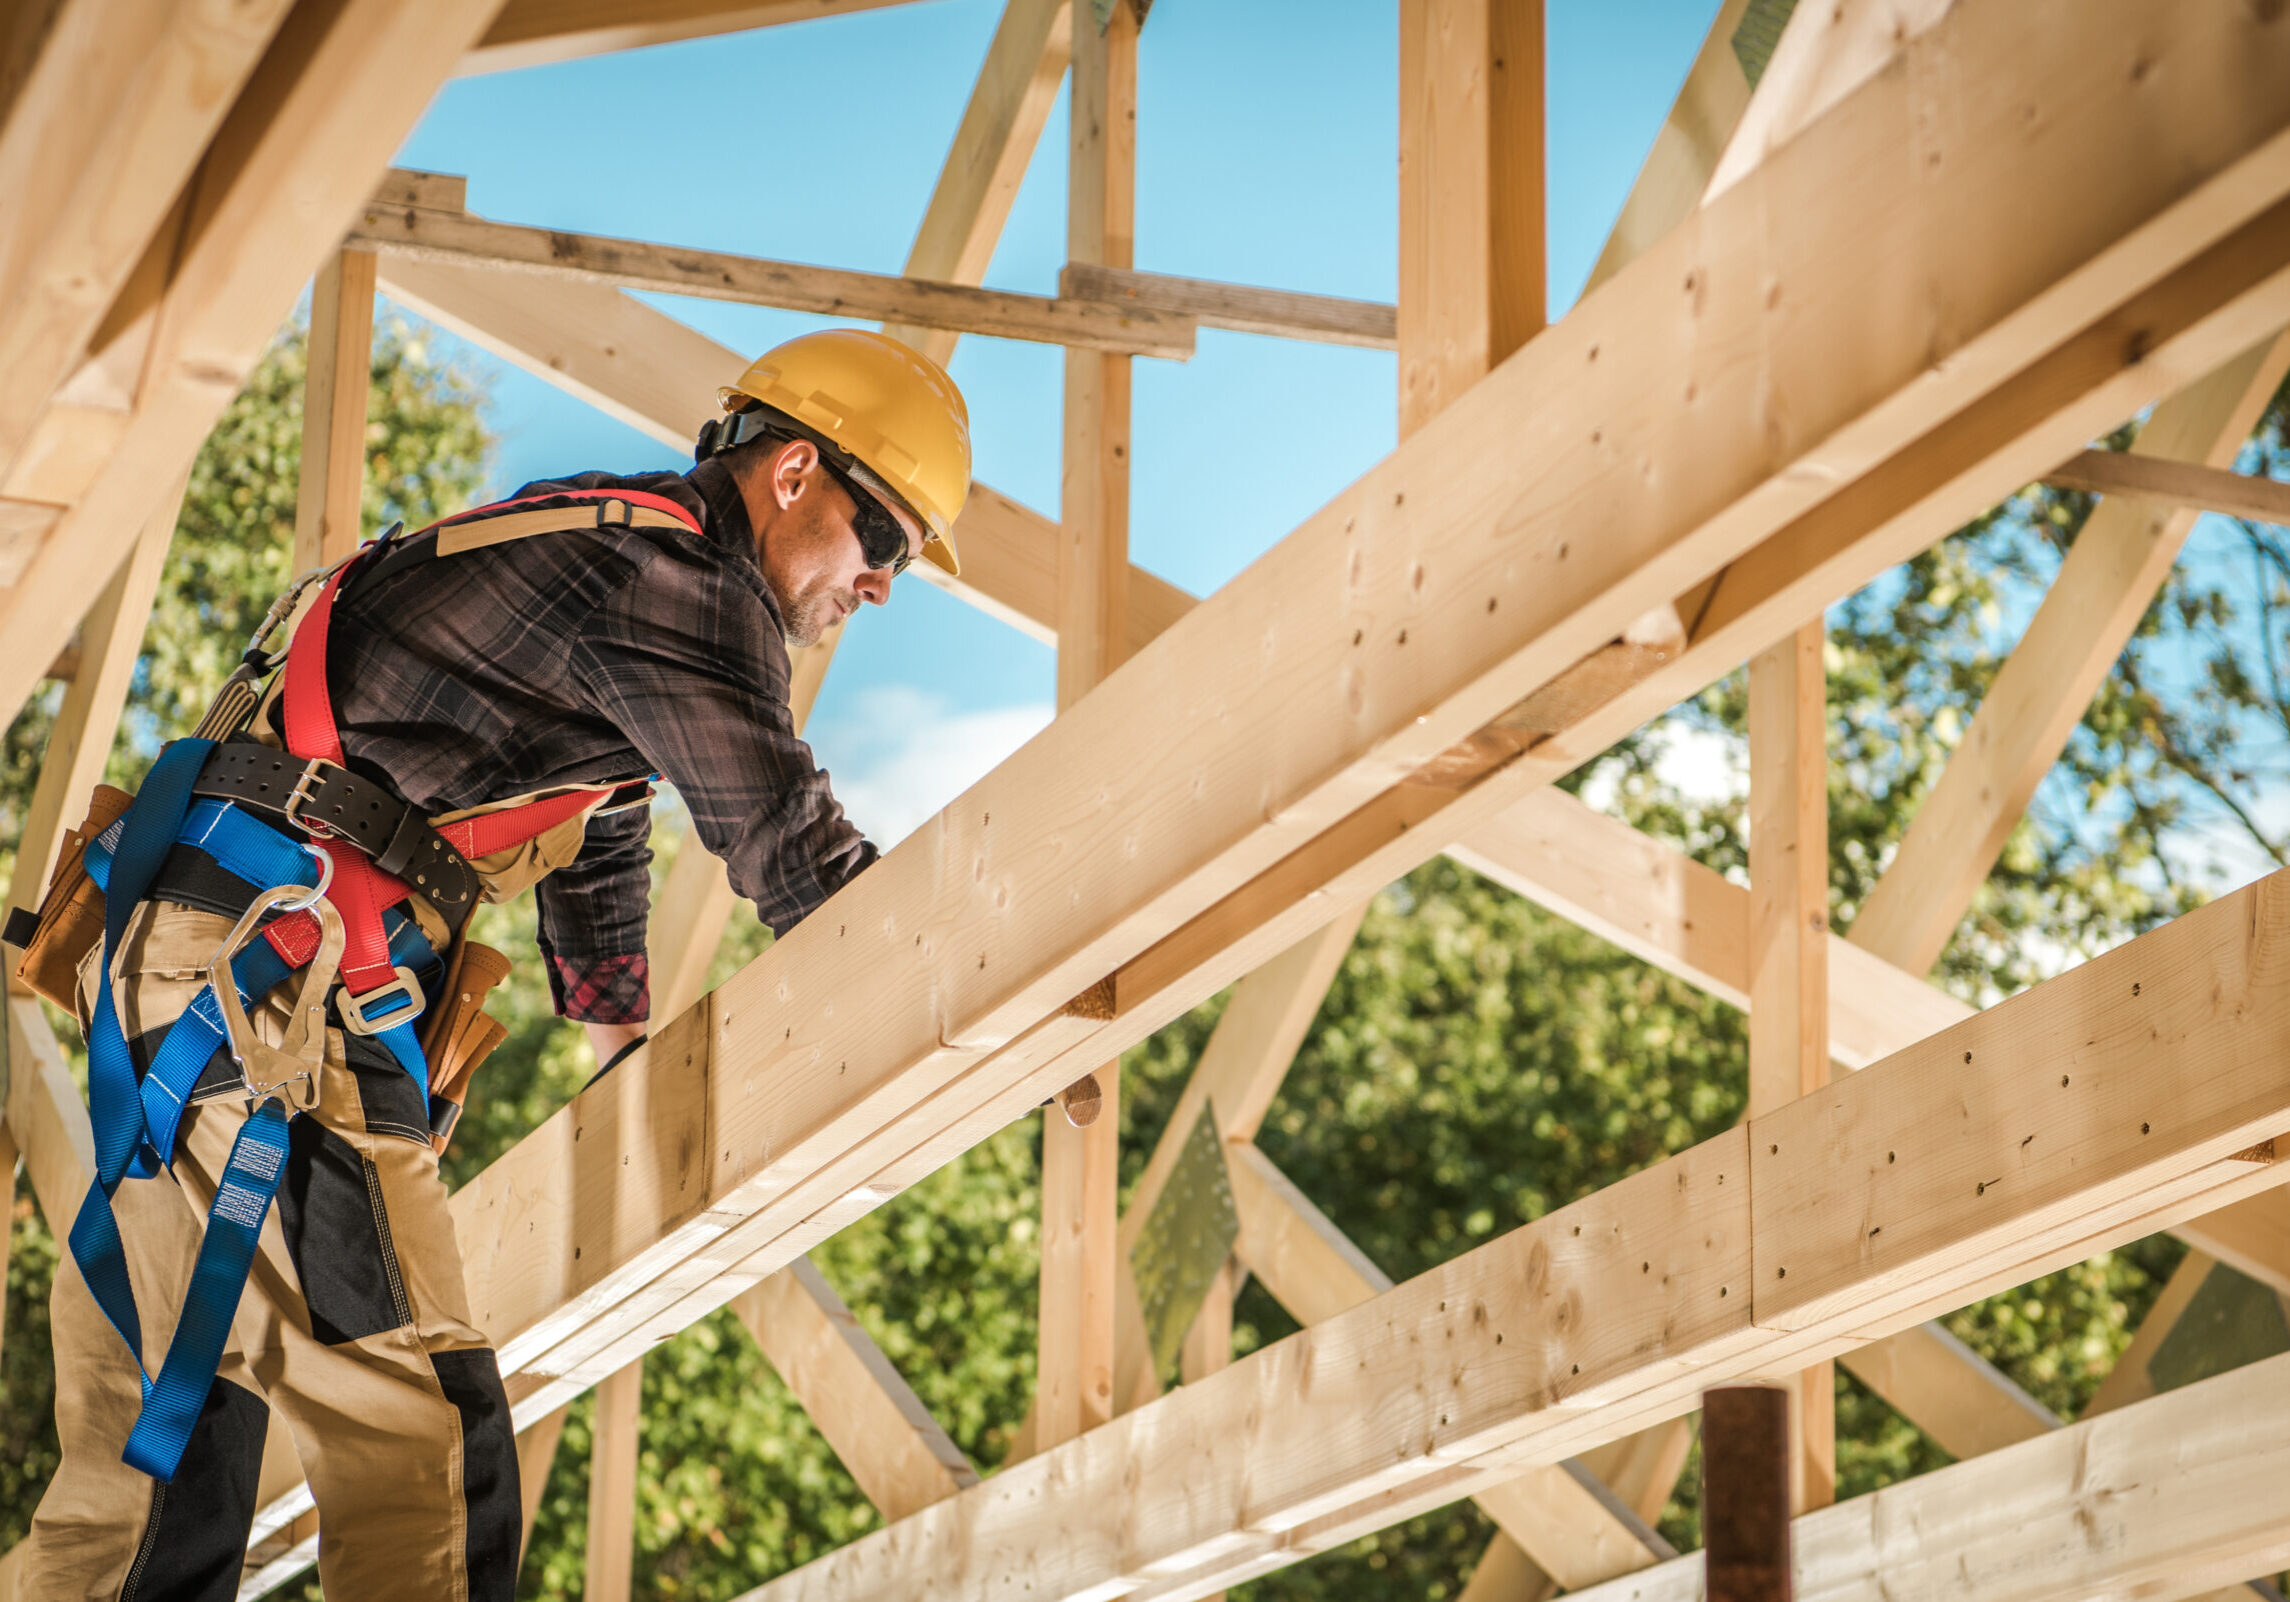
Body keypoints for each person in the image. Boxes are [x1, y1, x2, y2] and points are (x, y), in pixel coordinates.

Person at [17, 329, 970, 1600]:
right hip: (271, 1000)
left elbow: (604, 814)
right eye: (886, 542)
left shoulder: (586, 541)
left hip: (182, 980)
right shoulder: (685, 584)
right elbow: (795, 852)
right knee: (426, 1447)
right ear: (795, 472)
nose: (883, 586)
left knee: (159, 1466)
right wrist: (962, 972)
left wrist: (616, 1041)